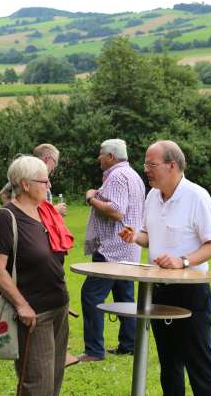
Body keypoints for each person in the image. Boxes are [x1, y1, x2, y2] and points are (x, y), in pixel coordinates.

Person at [120, 140, 211, 396]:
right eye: (145, 164)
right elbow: (149, 236)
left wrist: (183, 261)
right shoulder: (152, 196)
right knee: (169, 363)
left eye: (151, 164)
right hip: (158, 290)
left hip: (190, 292)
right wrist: (134, 236)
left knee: (198, 362)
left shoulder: (197, 197)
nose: (146, 169)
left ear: (172, 165)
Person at [0, 156, 70, 395]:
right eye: (44, 181)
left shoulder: (45, 213)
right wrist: (22, 306)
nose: (49, 186)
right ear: (25, 184)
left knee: (53, 380)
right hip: (34, 314)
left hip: (58, 307)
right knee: (37, 385)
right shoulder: (5, 217)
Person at [79, 139, 145, 362]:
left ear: (111, 156)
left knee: (91, 295)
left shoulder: (116, 176)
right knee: (125, 299)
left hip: (112, 250)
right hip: (128, 249)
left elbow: (116, 211)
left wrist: (91, 199)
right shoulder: (133, 175)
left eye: (101, 154)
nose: (98, 158)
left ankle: (94, 351)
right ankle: (130, 345)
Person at [0, 144, 66, 216]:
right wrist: (54, 210)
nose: (54, 168)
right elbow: (32, 209)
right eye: (55, 162)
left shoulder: (24, 173)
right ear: (47, 159)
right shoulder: (28, 175)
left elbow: (3, 194)